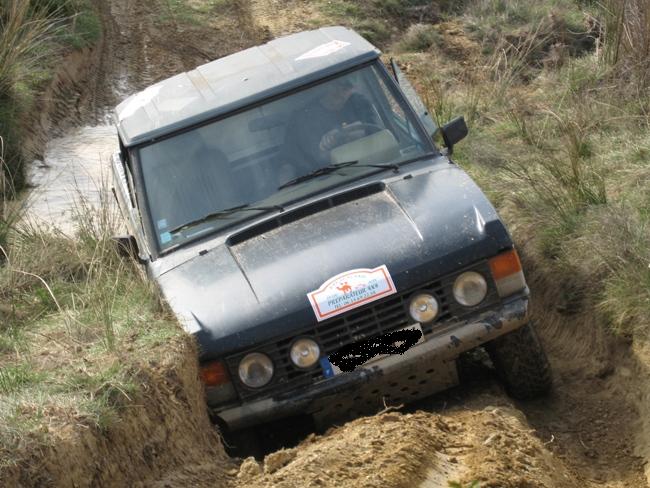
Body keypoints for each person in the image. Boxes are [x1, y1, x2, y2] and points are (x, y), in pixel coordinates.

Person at [283, 77, 381, 172]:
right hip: (328, 176)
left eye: (346, 87)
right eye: (336, 84)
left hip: (373, 165)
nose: (339, 91)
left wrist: (345, 132)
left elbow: (378, 134)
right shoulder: (305, 117)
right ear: (326, 85)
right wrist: (329, 143)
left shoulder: (360, 103)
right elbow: (311, 158)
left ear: (353, 89)